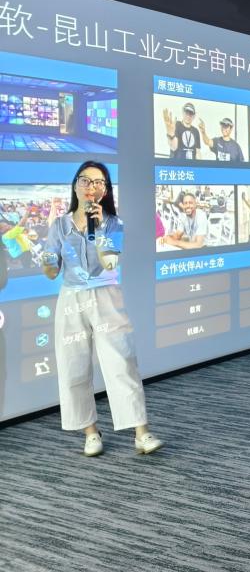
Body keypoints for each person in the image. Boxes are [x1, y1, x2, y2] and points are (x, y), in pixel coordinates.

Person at [41, 161, 163, 457]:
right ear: (75, 185)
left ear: (105, 191)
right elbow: (51, 272)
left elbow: (110, 263)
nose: (91, 187)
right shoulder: (59, 226)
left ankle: (141, 433)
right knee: (73, 365)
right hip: (71, 299)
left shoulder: (113, 223)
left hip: (106, 295)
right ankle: (90, 432)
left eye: (99, 183)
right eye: (86, 180)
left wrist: (97, 232)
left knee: (121, 361)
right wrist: (47, 248)